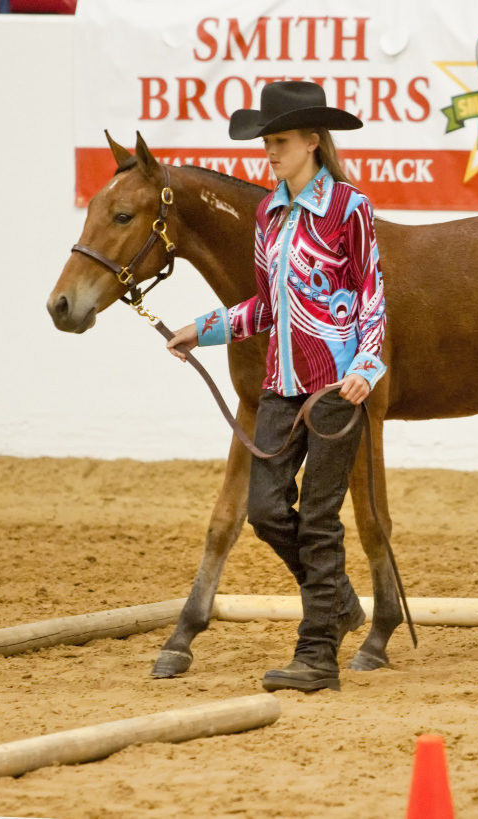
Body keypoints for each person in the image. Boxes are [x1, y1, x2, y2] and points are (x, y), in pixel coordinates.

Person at [166, 81, 387, 693]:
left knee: (318, 519)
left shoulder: (349, 209)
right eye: (267, 142)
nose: (270, 151)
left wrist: (365, 368)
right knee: (266, 510)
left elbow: (371, 295)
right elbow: (264, 305)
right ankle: (339, 601)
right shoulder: (268, 214)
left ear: (312, 142)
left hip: (336, 390)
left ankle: (317, 656)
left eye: (280, 141)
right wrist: (200, 330)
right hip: (281, 386)